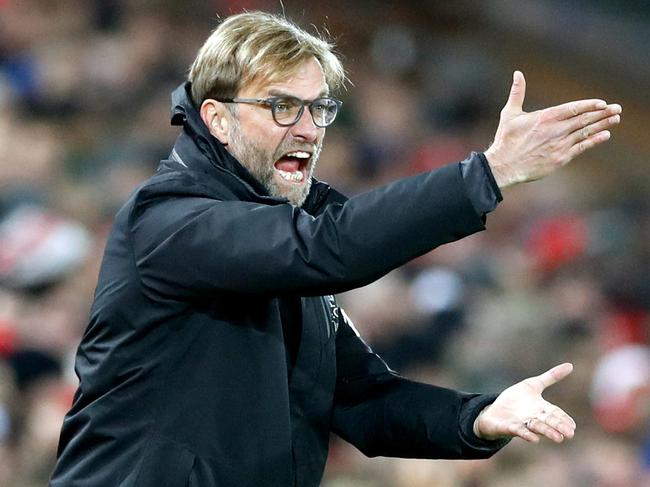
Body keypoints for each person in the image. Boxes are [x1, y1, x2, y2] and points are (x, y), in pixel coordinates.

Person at [49, 11, 622, 487]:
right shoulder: (168, 220)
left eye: (318, 108)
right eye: (281, 107)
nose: (308, 129)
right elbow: (330, 249)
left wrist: (479, 417)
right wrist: (487, 174)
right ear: (217, 119)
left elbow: (363, 400)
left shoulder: (281, 237)